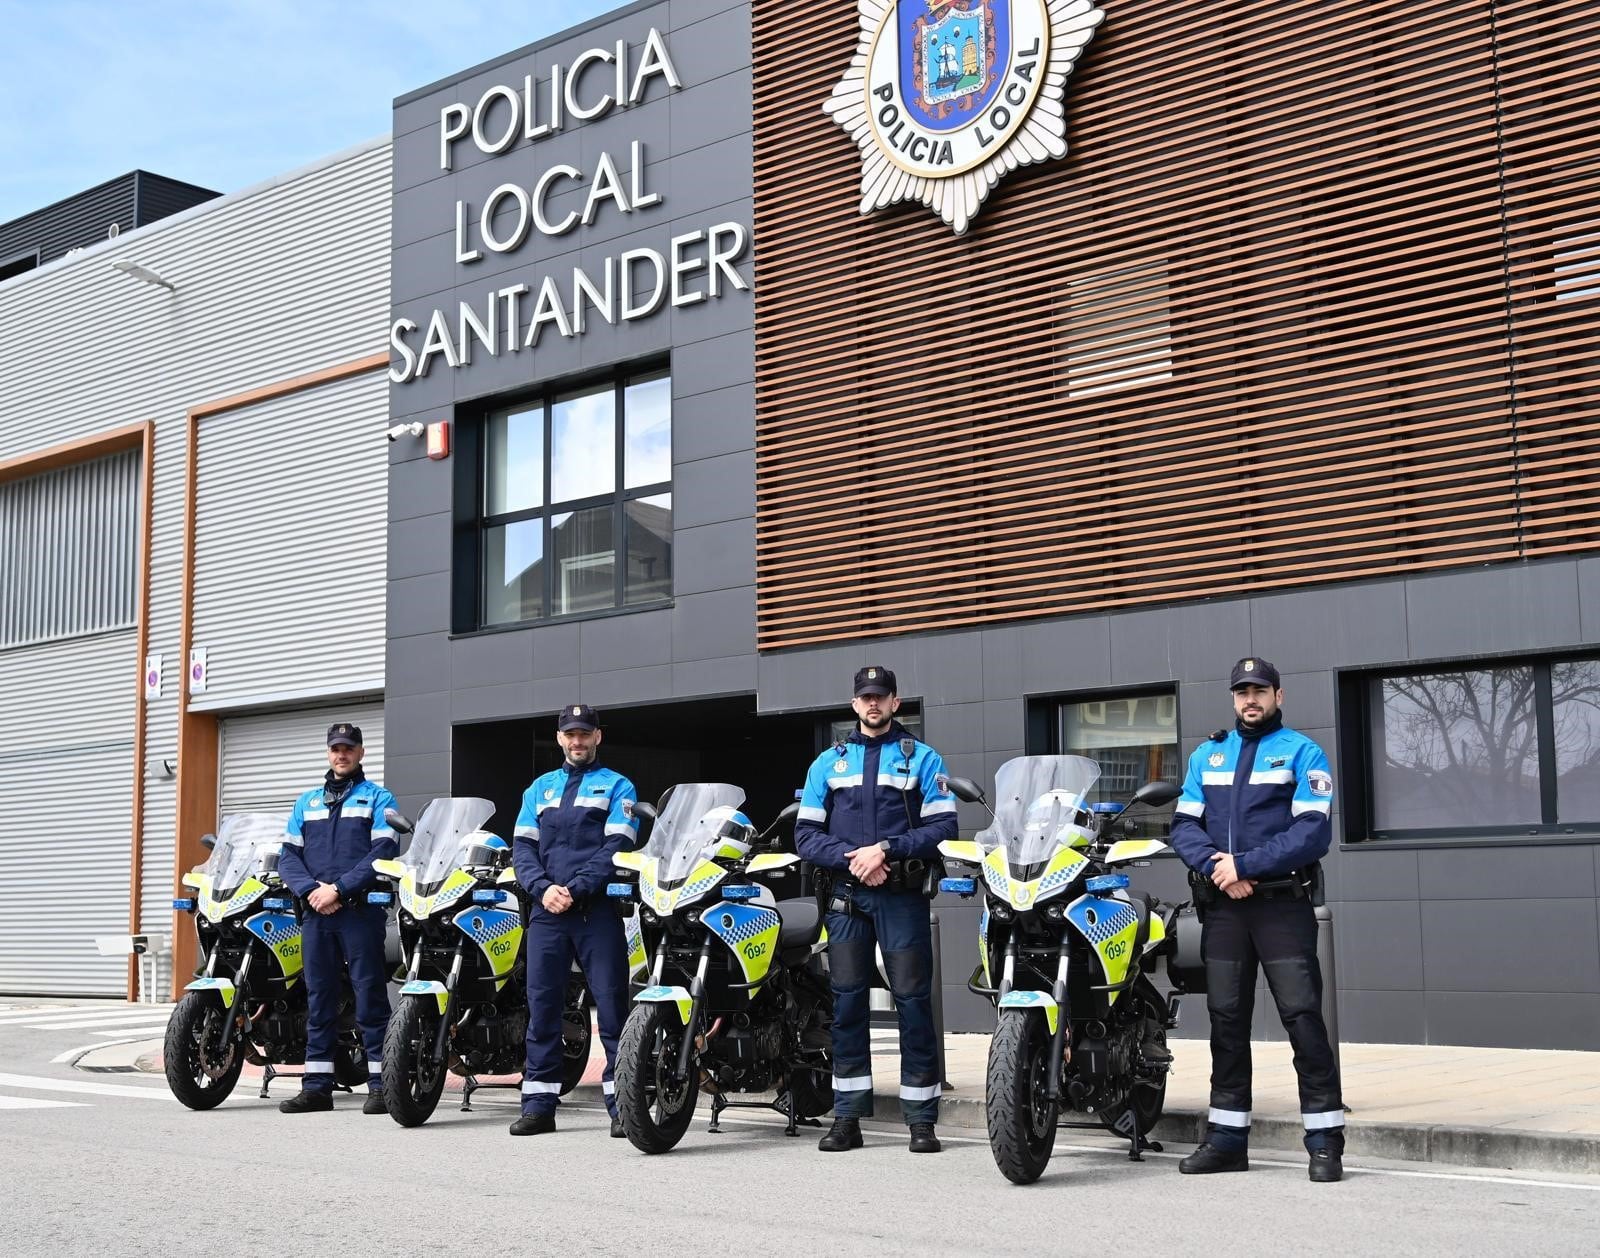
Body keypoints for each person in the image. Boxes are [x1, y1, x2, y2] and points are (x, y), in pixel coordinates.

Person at [1169, 657, 1344, 1182]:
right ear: (1232, 697)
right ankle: (1226, 1140)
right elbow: (1182, 826)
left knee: (1302, 1019)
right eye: (1242, 691)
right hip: (1224, 909)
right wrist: (1220, 870)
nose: (1251, 699)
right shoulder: (1209, 754)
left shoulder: (1302, 752)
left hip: (1280, 907)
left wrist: (1245, 865)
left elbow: (1312, 832)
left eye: (1260, 690)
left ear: (1278, 696)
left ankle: (1324, 1140)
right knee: (1226, 1023)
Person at [795, 666, 959, 1154]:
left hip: (901, 895)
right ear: (854, 704)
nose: (873, 704)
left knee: (912, 1002)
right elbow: (805, 836)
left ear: (895, 702)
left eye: (880, 697)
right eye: (865, 697)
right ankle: (846, 1117)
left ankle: (921, 1119)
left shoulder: (924, 759)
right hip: (848, 897)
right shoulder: (828, 762)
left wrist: (885, 849)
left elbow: (943, 828)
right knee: (846, 1003)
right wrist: (857, 860)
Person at [509, 704, 638, 1137]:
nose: (577, 741)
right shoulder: (538, 790)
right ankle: (539, 1106)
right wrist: (543, 889)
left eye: (585, 734)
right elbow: (521, 850)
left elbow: (617, 845)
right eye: (570, 734)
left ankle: (624, 1106)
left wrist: (576, 888)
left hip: (595, 912)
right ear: (560, 737)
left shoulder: (618, 787)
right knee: (542, 1008)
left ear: (598, 736)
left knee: (614, 1009)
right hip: (547, 912)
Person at [275, 722, 397, 1114]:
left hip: (359, 911)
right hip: (316, 912)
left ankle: (380, 1085)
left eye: (348, 748)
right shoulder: (306, 801)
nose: (341, 754)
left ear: (361, 752)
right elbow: (287, 857)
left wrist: (339, 890)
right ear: (328, 753)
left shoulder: (378, 798)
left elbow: (382, 851)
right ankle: (317, 1087)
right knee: (319, 997)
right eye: (335, 748)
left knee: (369, 996)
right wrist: (312, 891)